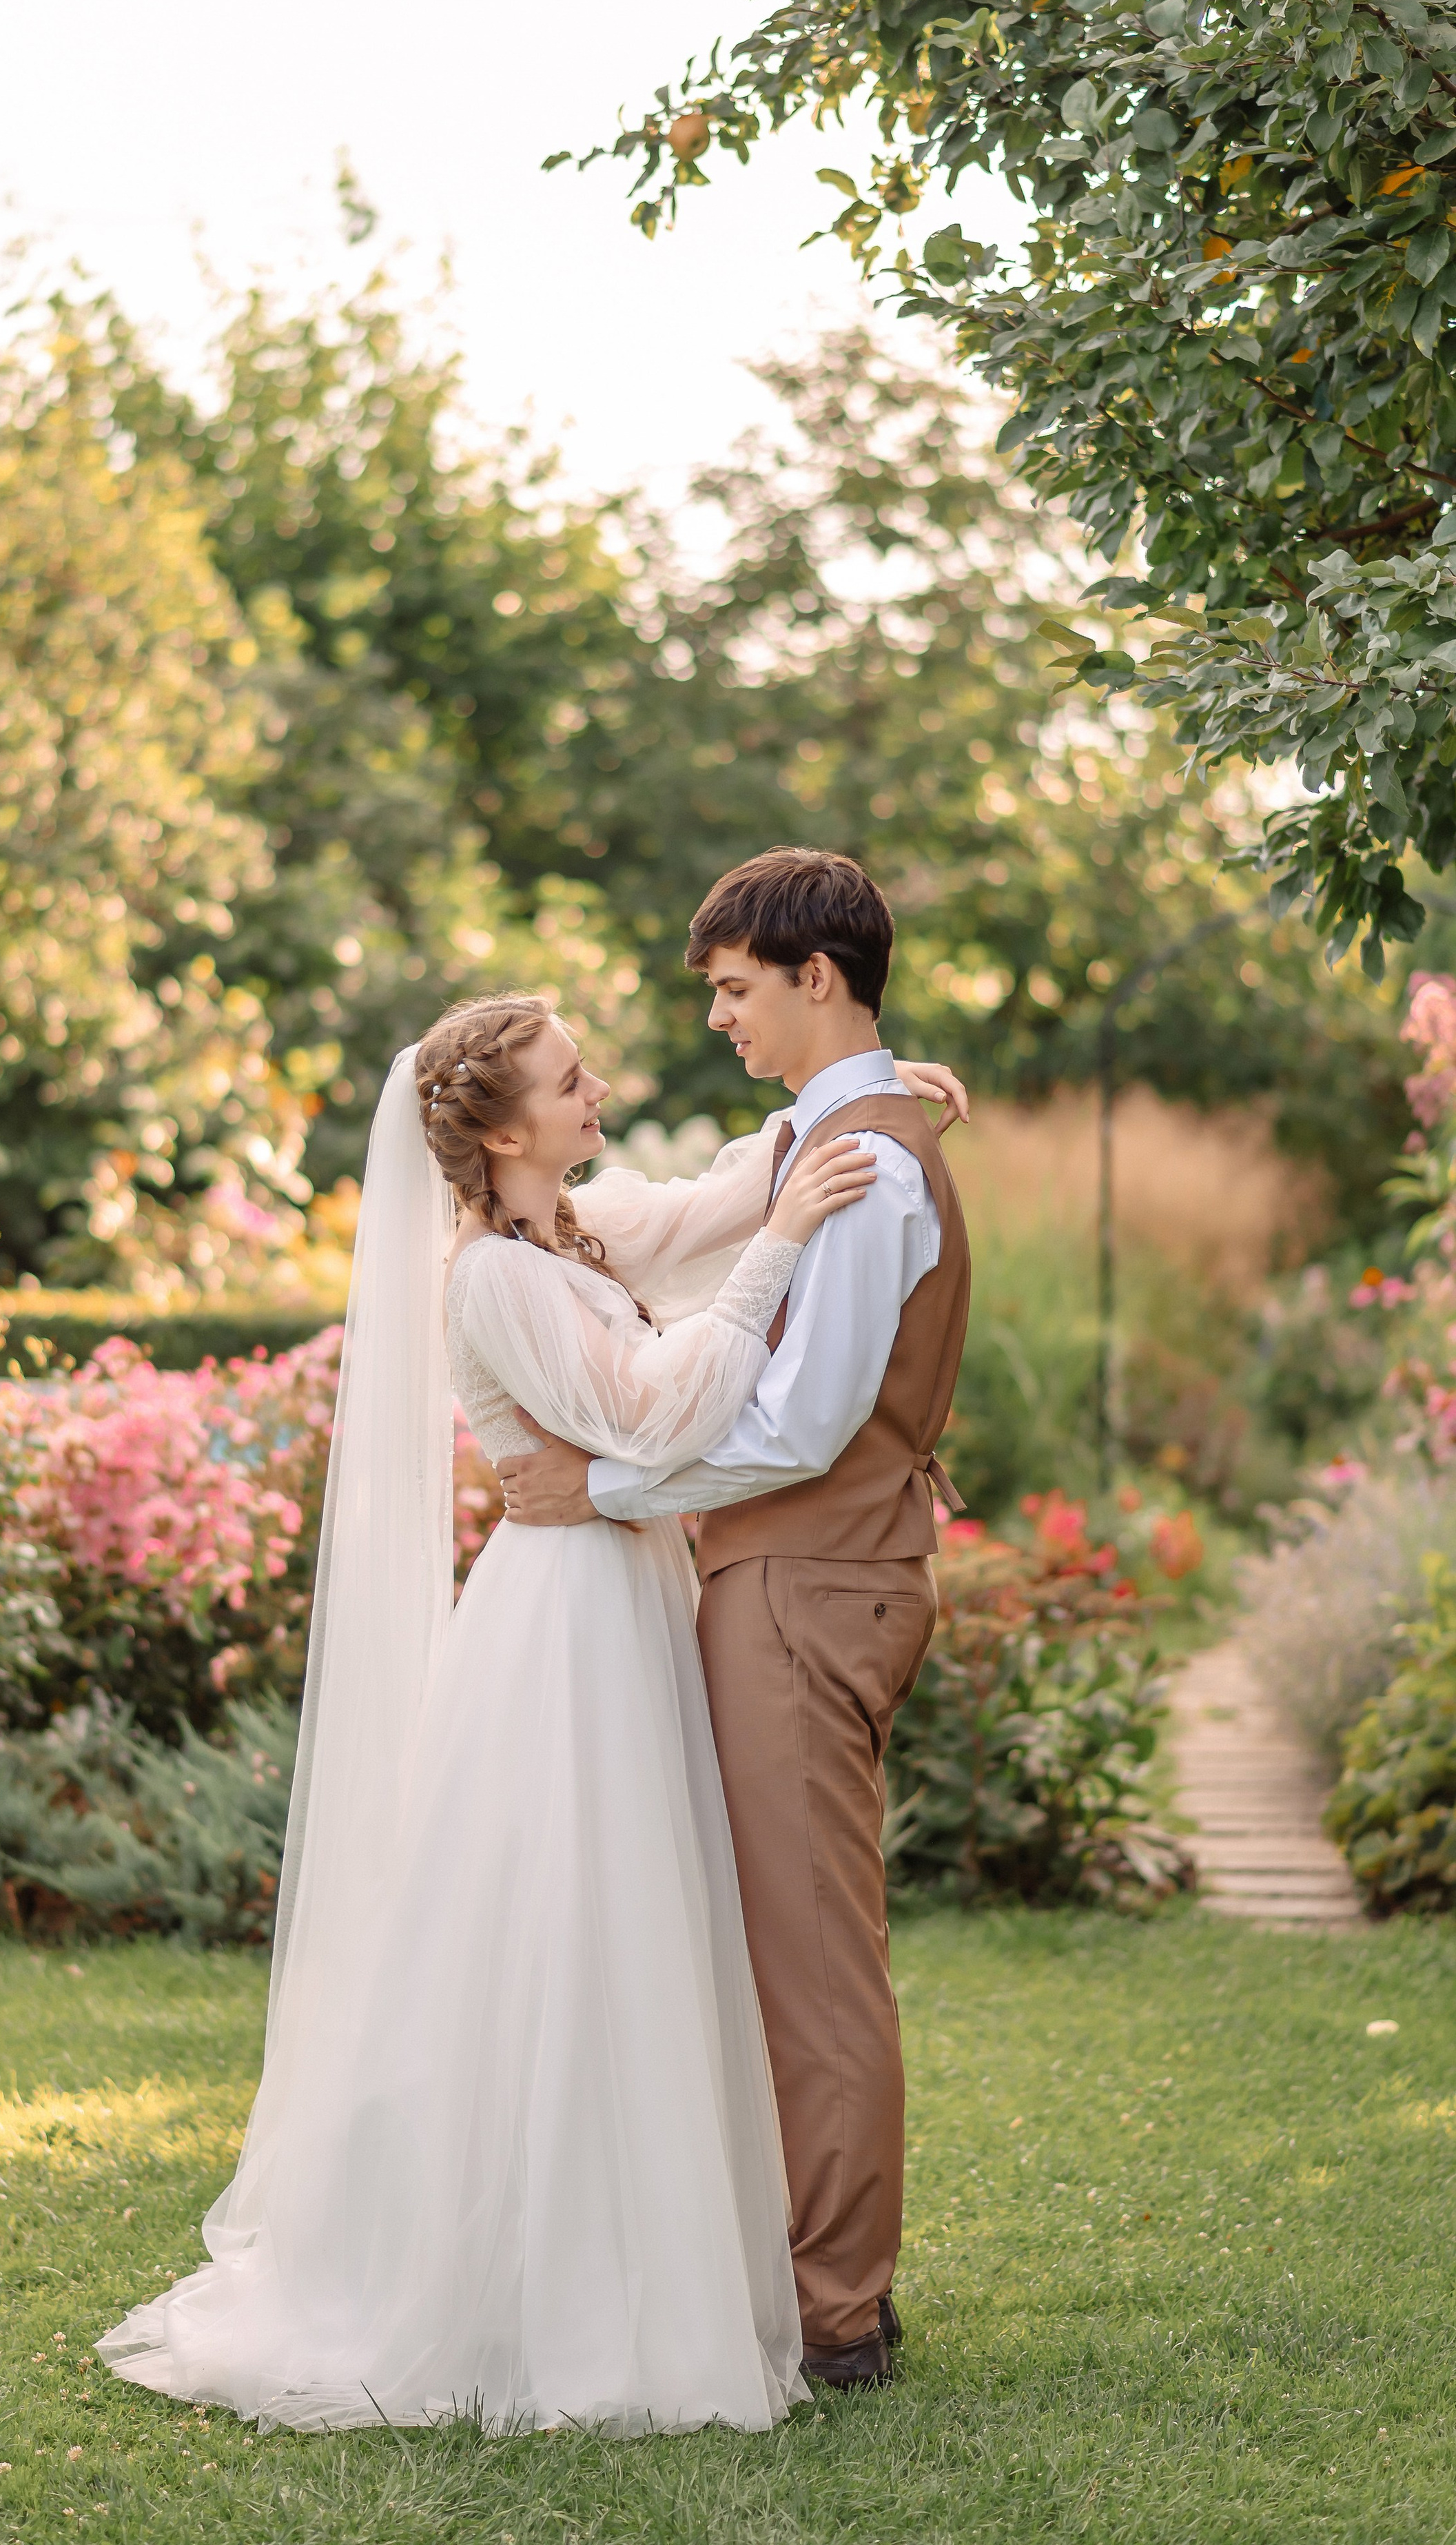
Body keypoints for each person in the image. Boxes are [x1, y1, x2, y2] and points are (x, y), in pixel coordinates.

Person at [98, 987, 959, 2435]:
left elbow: (687, 1202)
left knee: (641, 1927)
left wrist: (847, 1099)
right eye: (568, 1082)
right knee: (561, 1926)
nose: (595, 1089)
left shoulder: (573, 1227)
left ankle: (647, 2247)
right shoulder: (491, 1275)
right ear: (497, 1131)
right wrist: (786, 1240)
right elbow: (653, 1410)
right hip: (559, 1623)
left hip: (615, 1597)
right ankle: (536, 2278)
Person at [498, 847, 973, 2393]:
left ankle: (837, 2312)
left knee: (807, 1957)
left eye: (731, 987)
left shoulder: (871, 1164)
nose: (713, 1015)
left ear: (811, 977)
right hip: (805, 1574)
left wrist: (608, 1490)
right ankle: (818, 2273)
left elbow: (796, 1422)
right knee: (786, 1942)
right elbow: (704, 1220)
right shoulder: (834, 1140)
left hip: (804, 1583)